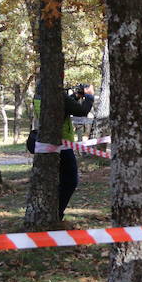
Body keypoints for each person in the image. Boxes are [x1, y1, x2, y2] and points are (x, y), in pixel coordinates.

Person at [32, 83, 95, 222]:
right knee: (70, 181)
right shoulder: (58, 95)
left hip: (47, 145)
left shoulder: (40, 94)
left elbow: (62, 109)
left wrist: (75, 96)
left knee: (54, 181)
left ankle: (50, 212)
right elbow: (81, 111)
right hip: (63, 146)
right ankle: (57, 213)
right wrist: (89, 96)